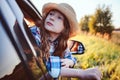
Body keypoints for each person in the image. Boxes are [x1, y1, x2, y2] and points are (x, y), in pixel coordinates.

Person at [29, 2, 102, 80]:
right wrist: (81, 73)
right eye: (51, 14)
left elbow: (71, 57)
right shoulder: (35, 34)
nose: (52, 18)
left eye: (59, 17)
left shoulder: (60, 44)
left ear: (65, 28)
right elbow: (50, 67)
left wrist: (71, 62)